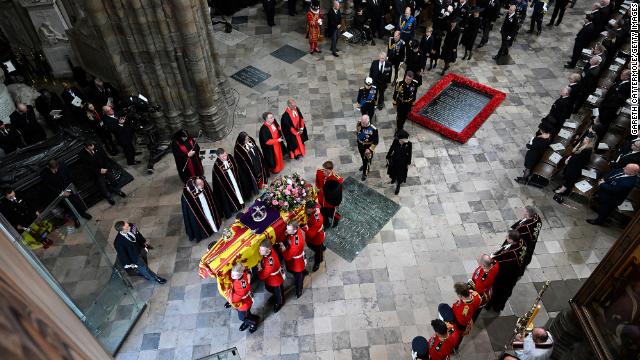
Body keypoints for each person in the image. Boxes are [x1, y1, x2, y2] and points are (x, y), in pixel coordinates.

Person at [486, 230, 527, 312]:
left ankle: (492, 306)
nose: (506, 238)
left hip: (506, 276)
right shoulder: (522, 242)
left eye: (507, 237)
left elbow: (499, 260)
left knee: (497, 290)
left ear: (511, 240)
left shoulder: (511, 254)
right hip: (514, 272)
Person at [181, 176, 221, 243]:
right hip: (198, 208)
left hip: (205, 204)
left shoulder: (201, 182)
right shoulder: (187, 195)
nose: (203, 187)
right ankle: (204, 233)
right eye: (201, 186)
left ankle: (213, 226)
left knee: (209, 214)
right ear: (197, 185)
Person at [211, 148, 244, 219]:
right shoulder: (216, 167)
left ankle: (241, 203)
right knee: (231, 197)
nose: (226, 157)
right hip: (227, 187)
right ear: (218, 157)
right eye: (223, 157)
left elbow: (236, 167)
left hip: (235, 180)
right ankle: (235, 207)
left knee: (238, 192)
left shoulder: (230, 157)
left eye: (225, 155)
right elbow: (218, 183)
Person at [234, 131, 269, 199]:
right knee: (254, 175)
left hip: (256, 160)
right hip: (250, 166)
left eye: (248, 138)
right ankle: (258, 186)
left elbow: (256, 148)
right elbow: (240, 161)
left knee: (260, 171)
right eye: (246, 139)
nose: (248, 139)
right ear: (242, 140)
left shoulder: (250, 140)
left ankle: (263, 183)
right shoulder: (238, 148)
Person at [228, 264, 259, 333]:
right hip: (245, 300)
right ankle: (250, 320)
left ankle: (253, 323)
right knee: (247, 314)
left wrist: (230, 298)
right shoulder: (243, 275)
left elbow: (238, 295)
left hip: (244, 303)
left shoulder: (242, 284)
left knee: (242, 317)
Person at [510, 206, 542, 272]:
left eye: (524, 211)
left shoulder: (525, 227)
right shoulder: (537, 218)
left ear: (527, 214)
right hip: (532, 243)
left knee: (521, 257)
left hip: (526, 244)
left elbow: (515, 233)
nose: (522, 212)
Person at [257, 240, 285, 313]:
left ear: (268, 250)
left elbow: (262, 276)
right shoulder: (270, 250)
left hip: (275, 279)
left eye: (262, 250)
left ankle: (279, 303)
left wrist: (259, 269)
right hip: (272, 276)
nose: (259, 251)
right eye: (260, 249)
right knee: (271, 288)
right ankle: (276, 296)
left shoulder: (270, 263)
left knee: (278, 292)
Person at [281, 221, 307, 298]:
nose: (286, 231)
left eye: (289, 230)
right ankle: (304, 272)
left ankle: (299, 291)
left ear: (295, 230)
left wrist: (282, 249)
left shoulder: (297, 243)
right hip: (294, 258)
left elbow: (287, 256)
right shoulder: (295, 230)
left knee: (298, 278)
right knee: (293, 271)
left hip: (297, 262)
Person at [315, 160, 343, 228]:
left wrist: (337, 203)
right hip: (321, 199)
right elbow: (317, 184)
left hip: (329, 202)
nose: (324, 172)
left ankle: (336, 219)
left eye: (326, 171)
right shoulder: (319, 172)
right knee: (322, 212)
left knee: (331, 213)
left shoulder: (337, 179)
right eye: (324, 170)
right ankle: (326, 224)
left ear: (331, 170)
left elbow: (338, 193)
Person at [386, 129, 412, 194]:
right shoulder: (395, 141)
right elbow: (391, 149)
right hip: (395, 160)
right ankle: (393, 179)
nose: (405, 141)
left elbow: (410, 153)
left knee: (400, 175)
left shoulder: (409, 144)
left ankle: (398, 185)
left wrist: (408, 162)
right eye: (404, 140)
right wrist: (388, 156)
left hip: (403, 162)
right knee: (393, 171)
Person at [302, 200, 326, 272]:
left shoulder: (317, 220)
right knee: (319, 248)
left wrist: (304, 227)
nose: (306, 210)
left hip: (316, 238)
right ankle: (322, 248)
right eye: (306, 208)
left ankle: (318, 261)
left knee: (317, 250)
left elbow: (311, 235)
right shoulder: (316, 208)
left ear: (313, 209)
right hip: (315, 234)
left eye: (308, 209)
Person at [356, 115, 379, 181]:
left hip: (368, 148)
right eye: (362, 122)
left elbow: (376, 141)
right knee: (362, 157)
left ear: (368, 121)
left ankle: (365, 173)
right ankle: (364, 165)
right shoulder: (359, 123)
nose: (362, 124)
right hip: (360, 145)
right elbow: (358, 132)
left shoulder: (373, 129)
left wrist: (370, 149)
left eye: (364, 123)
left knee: (366, 160)